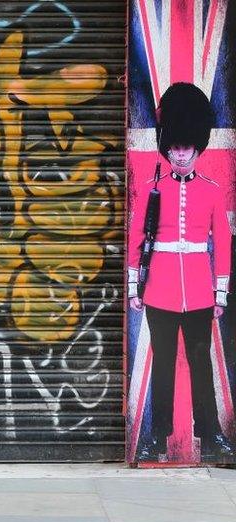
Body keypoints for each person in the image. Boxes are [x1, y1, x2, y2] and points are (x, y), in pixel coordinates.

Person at [128, 82, 233, 461]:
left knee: (201, 362)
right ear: (167, 147)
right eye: (174, 147)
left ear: (196, 147)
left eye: (186, 147)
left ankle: (211, 432)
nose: (180, 154)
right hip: (159, 290)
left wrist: (220, 293)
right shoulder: (151, 188)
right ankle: (159, 435)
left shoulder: (211, 190)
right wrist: (133, 288)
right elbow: (137, 238)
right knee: (164, 364)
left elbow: (221, 243)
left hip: (200, 294)